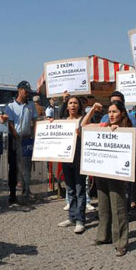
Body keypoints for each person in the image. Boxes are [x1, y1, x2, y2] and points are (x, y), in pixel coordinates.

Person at [82, 101, 132, 256]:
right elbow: (83, 127)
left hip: (116, 173)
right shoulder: (103, 125)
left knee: (118, 207)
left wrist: (118, 131)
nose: (111, 115)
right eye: (109, 111)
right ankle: (104, 236)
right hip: (101, 171)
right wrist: (92, 111)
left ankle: (121, 242)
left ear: (122, 113)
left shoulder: (127, 129)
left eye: (115, 111)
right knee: (103, 206)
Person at [57, 96, 86, 234]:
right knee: (70, 189)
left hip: (80, 158)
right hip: (66, 158)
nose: (73, 105)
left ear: (79, 106)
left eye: (75, 103)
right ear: (67, 106)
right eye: (70, 103)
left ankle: (80, 219)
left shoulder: (83, 120)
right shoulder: (63, 122)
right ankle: (72, 217)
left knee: (80, 189)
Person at [5, 81, 38, 205]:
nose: (27, 92)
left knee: (27, 167)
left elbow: (34, 121)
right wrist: (17, 137)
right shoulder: (11, 106)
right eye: (25, 90)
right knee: (14, 167)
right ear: (19, 90)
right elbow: (10, 124)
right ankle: (12, 194)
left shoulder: (31, 105)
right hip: (15, 139)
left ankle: (26, 191)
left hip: (27, 138)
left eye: (28, 90)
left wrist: (35, 136)